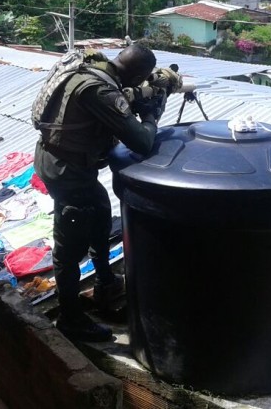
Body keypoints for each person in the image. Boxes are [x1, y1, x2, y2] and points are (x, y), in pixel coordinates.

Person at [33, 43, 180, 342]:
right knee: (69, 245)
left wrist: (141, 97)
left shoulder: (92, 69)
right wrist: (152, 116)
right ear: (138, 74)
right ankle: (71, 318)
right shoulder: (99, 90)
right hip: (67, 172)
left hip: (64, 162)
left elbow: (122, 100)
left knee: (100, 214)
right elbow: (141, 141)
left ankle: (105, 282)